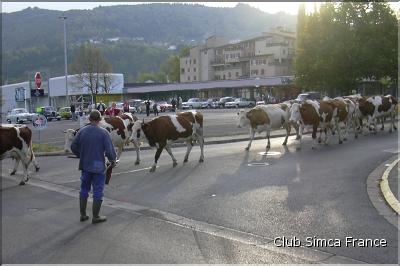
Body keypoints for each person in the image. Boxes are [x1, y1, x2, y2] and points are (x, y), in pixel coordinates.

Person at [71, 110, 117, 224]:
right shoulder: (104, 133)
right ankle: (95, 216)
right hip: (98, 166)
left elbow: (73, 146)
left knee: (84, 189)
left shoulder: (82, 131)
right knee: (98, 191)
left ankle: (83, 214)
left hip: (85, 165)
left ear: (90, 119)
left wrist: (80, 155)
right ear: (100, 119)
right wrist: (113, 160)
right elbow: (110, 151)